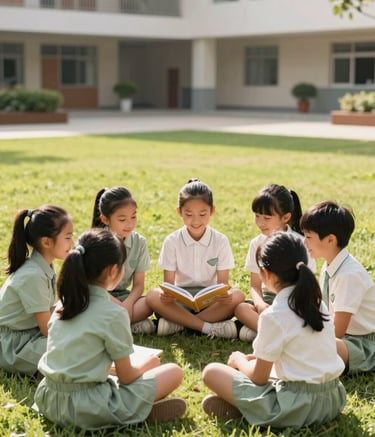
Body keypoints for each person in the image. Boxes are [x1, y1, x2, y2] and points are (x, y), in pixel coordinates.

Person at [33, 228, 186, 429]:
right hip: (89, 406)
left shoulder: (63, 305)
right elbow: (127, 377)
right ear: (113, 270)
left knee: (116, 378)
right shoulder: (114, 313)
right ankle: (132, 413)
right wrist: (148, 364)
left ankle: (135, 410)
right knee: (173, 371)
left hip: (49, 400)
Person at [202, 232, 346, 429]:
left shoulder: (274, 315)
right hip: (332, 400)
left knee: (212, 372)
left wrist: (239, 360)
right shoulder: (316, 302)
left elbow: (258, 378)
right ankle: (250, 407)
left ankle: (257, 409)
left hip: (298, 407)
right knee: (259, 369)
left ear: (266, 274)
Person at [146, 178, 245, 338]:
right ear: (179, 212)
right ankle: (206, 328)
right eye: (189, 214)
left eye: (203, 214)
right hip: (180, 301)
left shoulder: (220, 240)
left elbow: (223, 283)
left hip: (210, 302)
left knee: (238, 295)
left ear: (212, 211)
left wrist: (225, 295)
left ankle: (180, 324)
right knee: (152, 296)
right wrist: (168, 295)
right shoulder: (172, 241)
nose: (196, 220)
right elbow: (169, 285)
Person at [301, 200, 375, 374]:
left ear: (330, 240)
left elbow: (337, 332)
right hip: (344, 339)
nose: (305, 242)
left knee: (320, 345)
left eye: (309, 237)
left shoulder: (349, 274)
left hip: (365, 345)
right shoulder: (329, 266)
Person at [235, 183, 316, 342]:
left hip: (292, 300)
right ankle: (275, 333)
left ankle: (262, 332)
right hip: (267, 299)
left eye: (267, 218)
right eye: (257, 216)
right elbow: (254, 285)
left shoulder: (300, 243)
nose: (260, 222)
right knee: (241, 308)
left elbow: (306, 285)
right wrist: (260, 305)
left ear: (285, 217)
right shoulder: (256, 243)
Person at [0, 205, 73, 376]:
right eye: (68, 237)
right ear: (46, 242)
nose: (73, 243)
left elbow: (48, 312)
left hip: (29, 334)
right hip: (13, 345)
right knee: (70, 348)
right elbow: (48, 330)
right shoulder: (32, 275)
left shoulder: (44, 265)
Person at [92, 186, 155, 334]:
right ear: (105, 219)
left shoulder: (139, 242)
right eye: (122, 219)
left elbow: (139, 285)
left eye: (133, 217)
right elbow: (94, 288)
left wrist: (127, 304)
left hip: (124, 297)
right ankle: (127, 324)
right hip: (99, 297)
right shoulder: (95, 243)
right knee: (87, 307)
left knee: (150, 302)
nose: (130, 224)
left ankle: (118, 324)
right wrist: (120, 308)